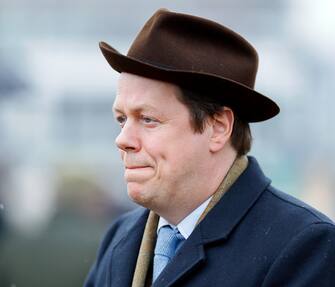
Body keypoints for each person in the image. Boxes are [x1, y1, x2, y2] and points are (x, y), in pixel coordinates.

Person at [84, 9, 335, 287]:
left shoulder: (304, 247)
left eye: (148, 119)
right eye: (122, 119)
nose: (123, 139)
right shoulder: (120, 238)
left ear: (218, 127)